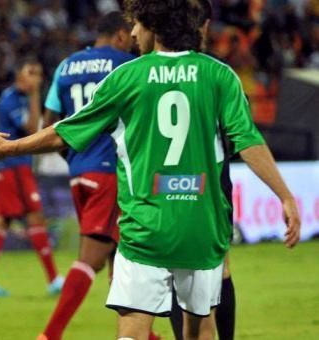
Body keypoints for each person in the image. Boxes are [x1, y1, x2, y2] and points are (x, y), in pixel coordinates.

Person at [0, 0, 301, 339]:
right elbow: (249, 141)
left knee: (132, 332)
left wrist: (9, 147)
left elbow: (63, 131)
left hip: (145, 228)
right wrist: (285, 196)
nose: (132, 33)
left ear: (154, 27)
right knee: (200, 329)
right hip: (201, 226)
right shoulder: (220, 76)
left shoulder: (128, 76)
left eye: (138, 25)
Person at [37, 11, 138, 340]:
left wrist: (76, 157)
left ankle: (141, 334)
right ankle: (49, 335)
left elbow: (49, 122)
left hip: (79, 172)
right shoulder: (124, 64)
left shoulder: (65, 66)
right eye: (132, 36)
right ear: (121, 35)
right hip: (111, 172)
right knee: (91, 258)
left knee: (119, 257)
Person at [168, 1, 236, 339]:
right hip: (211, 185)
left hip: (165, 184)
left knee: (173, 269)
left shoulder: (148, 70)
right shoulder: (219, 72)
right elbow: (236, 138)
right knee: (218, 270)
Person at [0, 57, 63, 297]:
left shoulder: (20, 98)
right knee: (33, 217)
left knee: (5, 221)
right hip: (12, 168)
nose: (35, 78)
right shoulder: (11, 100)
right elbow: (33, 129)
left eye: (38, 73)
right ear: (19, 76)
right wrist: (35, 95)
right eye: (30, 72)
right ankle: (54, 280)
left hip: (16, 167)